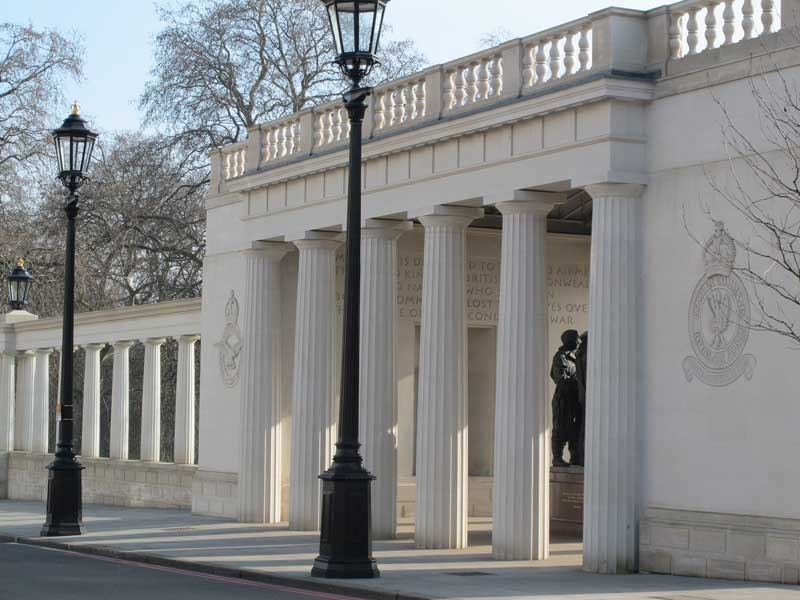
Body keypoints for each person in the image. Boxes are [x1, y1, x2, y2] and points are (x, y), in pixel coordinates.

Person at [551, 330, 580, 467]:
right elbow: (560, 378)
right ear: (570, 340)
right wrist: (576, 382)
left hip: (574, 398)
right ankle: (557, 457)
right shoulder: (560, 357)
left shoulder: (574, 357)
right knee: (560, 427)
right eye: (577, 338)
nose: (579, 341)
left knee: (574, 428)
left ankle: (575, 456)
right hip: (563, 399)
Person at [571, 331, 588, 466]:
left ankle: (580, 457)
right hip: (588, 397)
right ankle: (582, 457)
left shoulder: (578, 355)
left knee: (582, 427)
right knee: (584, 428)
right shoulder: (586, 356)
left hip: (582, 396)